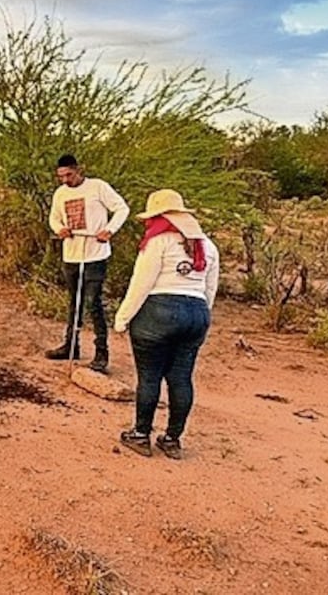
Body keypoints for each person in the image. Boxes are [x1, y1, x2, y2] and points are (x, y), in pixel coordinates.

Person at [114, 189, 220, 460]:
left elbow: (141, 284)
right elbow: (210, 289)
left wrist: (123, 318)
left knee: (149, 376)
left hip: (158, 312)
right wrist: (198, 317)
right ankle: (172, 439)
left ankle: (140, 434)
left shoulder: (158, 241)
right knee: (181, 378)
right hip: (196, 313)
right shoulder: (207, 245)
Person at [45, 154, 129, 372]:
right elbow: (54, 218)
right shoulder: (60, 193)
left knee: (93, 301)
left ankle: (101, 351)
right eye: (61, 176)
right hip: (71, 253)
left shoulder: (97, 187)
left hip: (95, 254)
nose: (65, 180)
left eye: (69, 175)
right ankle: (71, 345)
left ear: (78, 170)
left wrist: (109, 230)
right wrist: (59, 229)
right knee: (74, 300)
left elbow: (122, 208)